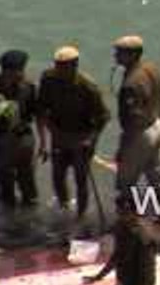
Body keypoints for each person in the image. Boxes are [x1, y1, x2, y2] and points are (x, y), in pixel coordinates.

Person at [37, 46, 111, 219]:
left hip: (81, 137)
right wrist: (48, 131)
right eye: (57, 65)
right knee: (57, 175)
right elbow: (41, 107)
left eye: (64, 66)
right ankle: (64, 208)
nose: (59, 70)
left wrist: (91, 141)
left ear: (75, 65)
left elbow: (104, 117)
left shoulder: (88, 87)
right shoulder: (48, 79)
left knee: (81, 179)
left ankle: (81, 215)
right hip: (59, 135)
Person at [0, 50, 44, 210]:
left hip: (24, 138)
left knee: (28, 182)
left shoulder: (30, 87)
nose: (22, 73)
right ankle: (8, 221)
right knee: (5, 183)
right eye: (20, 69)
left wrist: (43, 142)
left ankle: (30, 219)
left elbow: (39, 116)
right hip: (1, 138)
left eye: (22, 69)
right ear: (7, 70)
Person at [84, 194, 157, 285]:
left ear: (135, 212)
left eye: (124, 212)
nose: (121, 215)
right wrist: (98, 276)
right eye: (119, 212)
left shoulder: (142, 236)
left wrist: (99, 276)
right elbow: (117, 253)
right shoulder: (122, 226)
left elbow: (124, 258)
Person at [113, 37, 160, 218]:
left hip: (140, 134)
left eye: (120, 52)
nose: (115, 55)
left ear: (132, 55)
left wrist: (123, 147)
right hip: (156, 125)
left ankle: (131, 223)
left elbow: (132, 118)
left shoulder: (131, 83)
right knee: (158, 177)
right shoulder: (151, 68)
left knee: (125, 183)